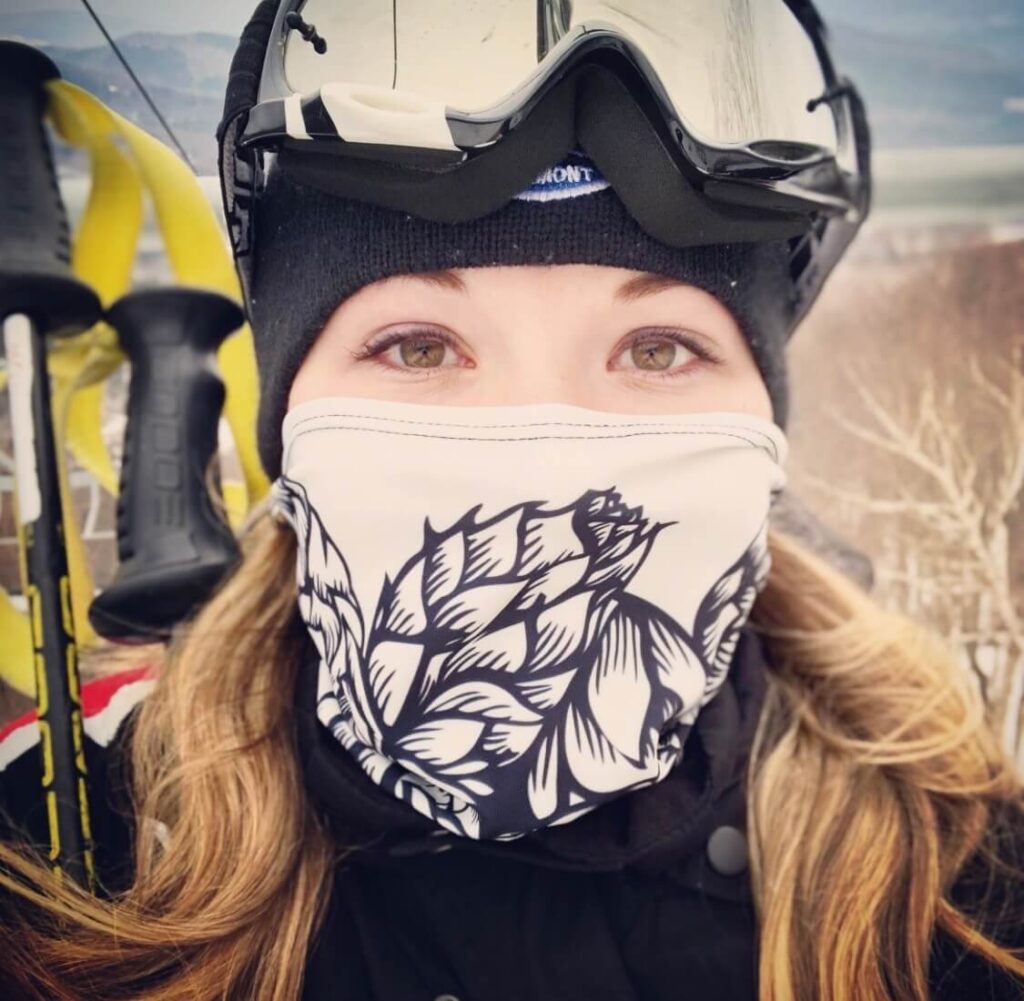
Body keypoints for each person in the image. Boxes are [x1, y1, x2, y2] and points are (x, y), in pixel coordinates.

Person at [2, 2, 1023, 999]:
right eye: (419, 346)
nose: (544, 446)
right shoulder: (67, 851)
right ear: (290, 408)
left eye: (658, 348)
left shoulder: (967, 879)